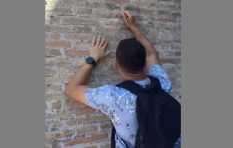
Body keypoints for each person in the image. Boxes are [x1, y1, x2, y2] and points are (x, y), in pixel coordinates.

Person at [65, 11, 179, 148]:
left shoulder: (113, 97)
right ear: (144, 64)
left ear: (116, 66)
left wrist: (93, 58)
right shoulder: (162, 82)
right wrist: (134, 27)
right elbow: (151, 54)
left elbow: (71, 89)